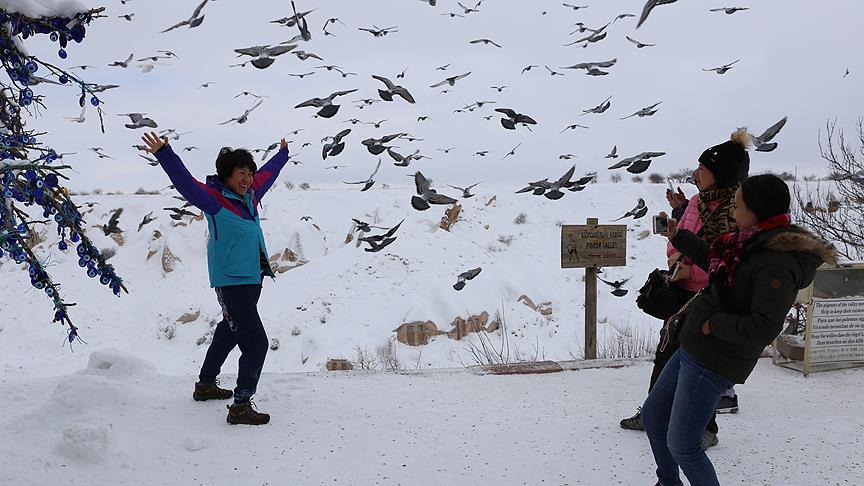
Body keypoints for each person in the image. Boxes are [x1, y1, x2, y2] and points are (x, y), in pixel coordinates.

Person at [643, 173, 836, 486]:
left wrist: (711, 324)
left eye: (737, 205)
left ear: (756, 209)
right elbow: (713, 259)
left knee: (684, 445)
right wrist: (678, 235)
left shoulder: (777, 262)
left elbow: (762, 328)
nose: (733, 211)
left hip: (714, 359)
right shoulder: (748, 240)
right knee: (654, 418)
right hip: (694, 347)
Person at [142, 131, 291, 425]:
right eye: (241, 173)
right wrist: (164, 154)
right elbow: (185, 183)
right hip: (231, 281)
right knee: (256, 343)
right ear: (227, 175)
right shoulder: (214, 200)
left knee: (229, 330)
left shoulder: (250, 197)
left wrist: (282, 155)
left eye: (249, 173)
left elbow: (267, 176)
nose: (247, 179)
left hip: (251, 278)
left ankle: (206, 385)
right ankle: (240, 405)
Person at [621, 130, 751, 447]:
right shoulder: (695, 202)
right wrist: (676, 255)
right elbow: (678, 240)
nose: (696, 173)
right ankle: (654, 414)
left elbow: (725, 265)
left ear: (719, 174)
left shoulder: (735, 212)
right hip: (681, 294)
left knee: (698, 365)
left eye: (703, 169)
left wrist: (688, 266)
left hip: (708, 298)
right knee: (666, 355)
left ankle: (706, 429)